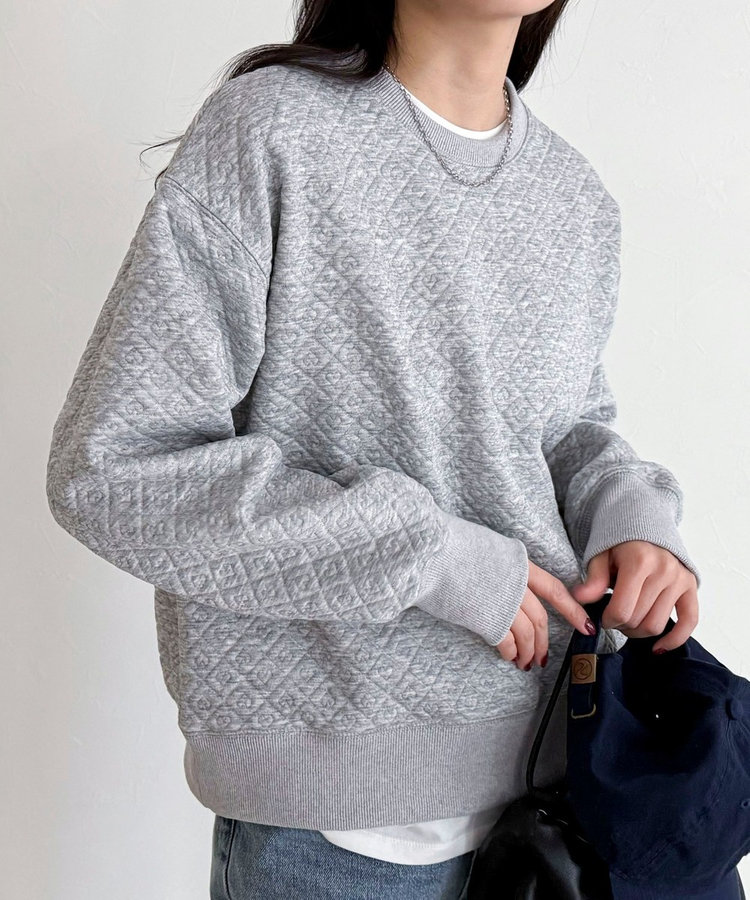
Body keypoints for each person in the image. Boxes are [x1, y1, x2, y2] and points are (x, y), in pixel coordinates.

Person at [46, 0, 734, 897]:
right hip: (340, 833)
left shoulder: (574, 196)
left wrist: (629, 516)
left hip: (569, 805)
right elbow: (116, 470)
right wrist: (429, 557)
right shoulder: (274, 130)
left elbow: (564, 427)